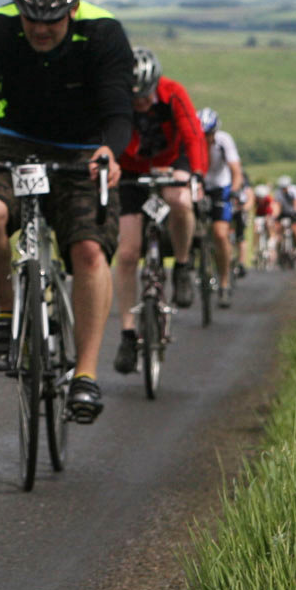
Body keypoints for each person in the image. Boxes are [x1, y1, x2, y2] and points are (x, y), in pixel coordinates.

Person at [0, 0, 132, 423]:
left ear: (73, 7)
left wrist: (110, 150)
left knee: (89, 251)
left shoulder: (104, 33)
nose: (40, 27)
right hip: (15, 139)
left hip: (84, 148)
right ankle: (9, 313)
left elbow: (118, 111)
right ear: (18, 5)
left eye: (52, 17)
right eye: (31, 16)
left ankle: (85, 374)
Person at [111, 47, 208, 375]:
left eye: (145, 97)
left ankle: (181, 266)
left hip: (171, 161)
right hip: (131, 170)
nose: (140, 104)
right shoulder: (117, 99)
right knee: (127, 254)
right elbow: (105, 135)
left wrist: (195, 175)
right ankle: (127, 334)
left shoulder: (173, 93)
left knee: (180, 200)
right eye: (134, 98)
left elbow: (194, 135)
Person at [198, 107, 244, 307]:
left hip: (220, 187)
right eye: (203, 135)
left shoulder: (224, 141)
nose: (206, 139)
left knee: (220, 234)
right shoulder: (193, 140)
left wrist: (234, 191)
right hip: (199, 185)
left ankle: (224, 283)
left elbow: (236, 171)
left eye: (209, 135)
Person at [252, 183, 276, 270]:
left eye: (262, 197)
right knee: (256, 227)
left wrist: (269, 218)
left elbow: (273, 208)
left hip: (267, 214)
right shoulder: (255, 199)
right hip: (259, 215)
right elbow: (252, 209)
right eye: (259, 197)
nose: (260, 199)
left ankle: (271, 240)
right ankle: (256, 248)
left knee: (269, 224)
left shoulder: (268, 199)